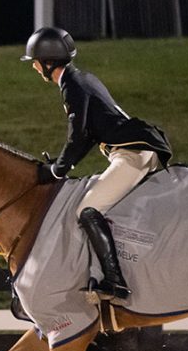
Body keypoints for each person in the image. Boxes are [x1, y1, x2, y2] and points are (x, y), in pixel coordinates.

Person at [22, 27, 172, 303]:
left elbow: (79, 135)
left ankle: (114, 282)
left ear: (47, 62)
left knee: (87, 209)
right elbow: (89, 134)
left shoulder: (73, 86)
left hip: (131, 153)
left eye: (35, 61)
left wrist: (58, 170)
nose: (33, 66)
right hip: (133, 149)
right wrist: (62, 164)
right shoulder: (80, 79)